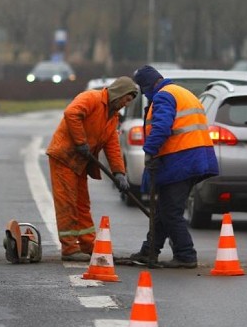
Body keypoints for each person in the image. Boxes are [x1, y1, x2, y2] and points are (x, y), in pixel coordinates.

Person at [129, 65, 219, 268]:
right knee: (164, 210)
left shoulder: (163, 96)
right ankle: (149, 250)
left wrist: (150, 151)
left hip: (181, 160)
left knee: (170, 212)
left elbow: (162, 126)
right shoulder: (181, 92)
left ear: (147, 86)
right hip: (192, 157)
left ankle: (186, 254)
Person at [46, 76, 138, 261]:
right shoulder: (91, 98)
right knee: (67, 203)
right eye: (126, 99)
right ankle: (70, 248)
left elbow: (112, 146)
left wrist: (119, 173)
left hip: (80, 161)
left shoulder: (111, 118)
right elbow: (71, 113)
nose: (126, 104)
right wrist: (81, 142)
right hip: (64, 156)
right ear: (118, 93)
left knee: (82, 204)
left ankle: (89, 245)